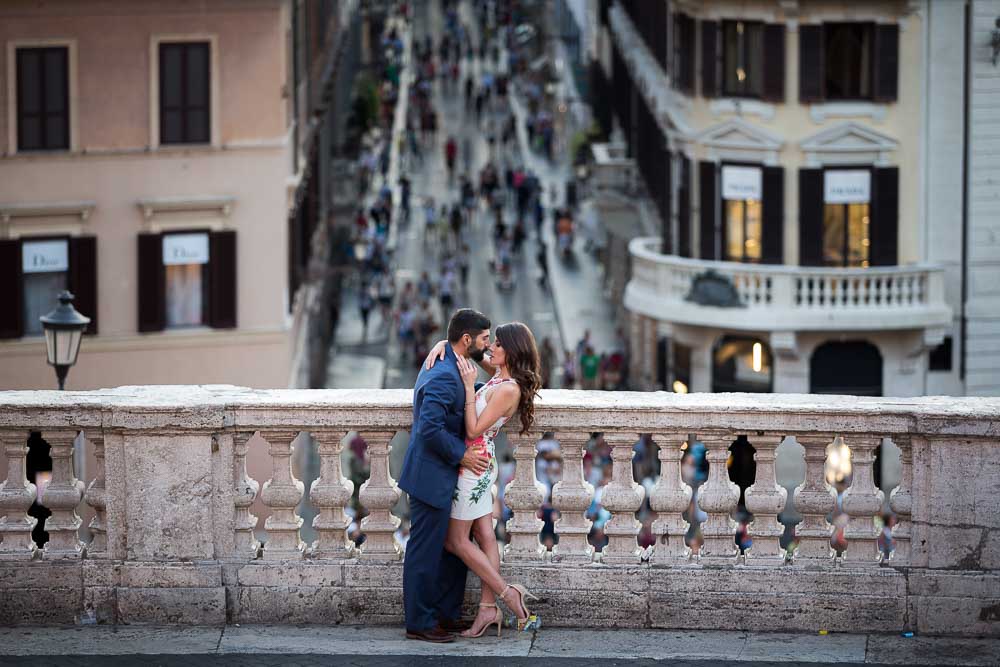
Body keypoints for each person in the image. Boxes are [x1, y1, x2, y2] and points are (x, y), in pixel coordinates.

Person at [423, 322, 542, 638]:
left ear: (511, 351)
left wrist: (467, 387)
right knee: (485, 537)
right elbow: (466, 349)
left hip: (473, 465)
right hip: (478, 463)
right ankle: (487, 612)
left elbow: (474, 430)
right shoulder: (499, 374)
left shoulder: (508, 388)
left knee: (456, 540)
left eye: (499, 344)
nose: (492, 348)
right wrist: (441, 345)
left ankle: (507, 595)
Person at [398, 310, 492, 643]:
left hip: (445, 478)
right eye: (484, 339)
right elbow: (428, 428)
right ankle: (420, 622)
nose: (488, 345)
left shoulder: (456, 364)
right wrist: (462, 454)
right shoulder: (442, 374)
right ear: (467, 340)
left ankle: (445, 614)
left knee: (452, 551)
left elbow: (473, 393)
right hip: (430, 477)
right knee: (425, 552)